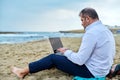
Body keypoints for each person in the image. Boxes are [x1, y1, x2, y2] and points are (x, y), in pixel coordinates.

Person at [11, 7, 116, 79]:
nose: (81, 23)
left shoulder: (91, 33)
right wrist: (68, 53)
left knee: (53, 57)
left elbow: (80, 61)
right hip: (103, 69)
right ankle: (55, 60)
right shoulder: (106, 30)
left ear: (88, 19)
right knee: (62, 54)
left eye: (82, 20)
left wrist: (66, 52)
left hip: (91, 72)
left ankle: (22, 72)